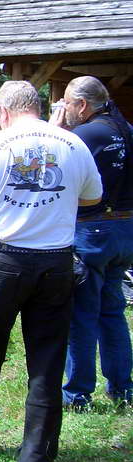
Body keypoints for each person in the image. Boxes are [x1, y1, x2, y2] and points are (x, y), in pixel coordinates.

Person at [0, 80, 102, 462]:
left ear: (1, 113)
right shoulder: (73, 142)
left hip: (2, 259)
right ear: (36, 106)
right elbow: (93, 196)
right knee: (47, 362)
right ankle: (37, 456)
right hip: (56, 261)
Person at [53, 76, 133, 409]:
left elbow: (51, 166)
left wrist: (55, 130)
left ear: (82, 105)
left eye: (67, 103)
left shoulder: (82, 135)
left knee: (82, 313)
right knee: (113, 310)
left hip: (93, 229)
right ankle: (123, 388)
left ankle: (77, 394)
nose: (64, 109)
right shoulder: (126, 128)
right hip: (125, 229)